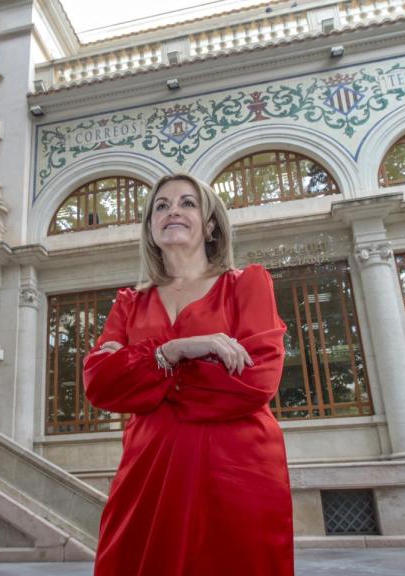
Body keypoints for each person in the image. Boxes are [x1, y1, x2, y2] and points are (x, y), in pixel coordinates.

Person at [83, 173, 293, 575]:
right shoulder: (129, 303)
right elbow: (101, 384)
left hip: (235, 475)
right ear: (150, 227)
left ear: (210, 224)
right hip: (147, 475)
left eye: (187, 203)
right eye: (161, 206)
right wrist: (174, 351)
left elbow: (256, 381)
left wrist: (143, 372)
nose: (172, 211)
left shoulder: (246, 285)